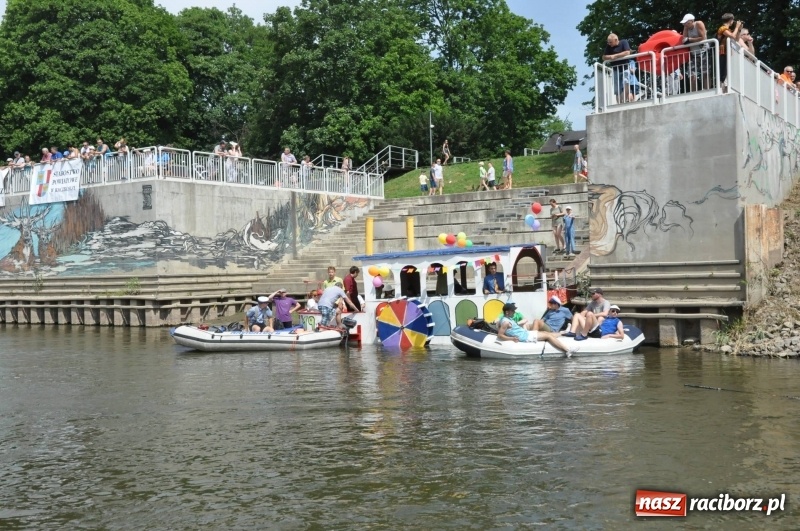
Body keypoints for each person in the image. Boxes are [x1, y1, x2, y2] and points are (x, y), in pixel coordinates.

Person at [497, 303, 579, 357]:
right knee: (547, 336)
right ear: (507, 312)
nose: (514, 312)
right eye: (512, 311)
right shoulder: (505, 322)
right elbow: (500, 335)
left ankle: (563, 333)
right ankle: (567, 350)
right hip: (525, 337)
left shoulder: (507, 318)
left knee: (545, 332)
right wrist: (511, 338)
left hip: (526, 333)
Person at [680, 14, 711, 92]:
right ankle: (694, 92)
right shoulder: (686, 27)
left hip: (704, 51)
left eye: (687, 23)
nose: (685, 24)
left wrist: (689, 39)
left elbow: (702, 37)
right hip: (693, 53)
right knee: (691, 74)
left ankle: (706, 91)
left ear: (692, 21)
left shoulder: (699, 24)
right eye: (684, 23)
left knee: (705, 72)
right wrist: (688, 40)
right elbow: (684, 39)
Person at [715, 14, 742, 92]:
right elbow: (732, 36)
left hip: (727, 53)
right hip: (722, 52)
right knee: (723, 71)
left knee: (726, 72)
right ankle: (721, 88)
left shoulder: (728, 29)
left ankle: (725, 87)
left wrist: (739, 30)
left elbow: (736, 39)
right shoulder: (723, 28)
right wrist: (736, 27)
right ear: (731, 20)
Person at [602, 33, 632, 104]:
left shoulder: (624, 42)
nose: (609, 44)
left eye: (611, 42)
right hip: (615, 69)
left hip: (625, 67)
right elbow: (603, 57)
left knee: (626, 82)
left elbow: (627, 52)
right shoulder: (608, 46)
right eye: (608, 42)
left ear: (616, 40)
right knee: (617, 88)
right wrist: (610, 57)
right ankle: (619, 103)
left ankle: (625, 99)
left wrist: (615, 56)